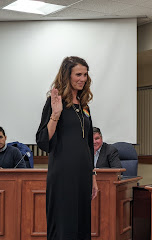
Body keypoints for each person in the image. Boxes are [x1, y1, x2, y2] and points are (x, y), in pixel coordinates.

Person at [36, 56, 98, 240]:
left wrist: (92, 176)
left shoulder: (85, 106)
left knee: (82, 224)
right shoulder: (54, 102)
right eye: (78, 74)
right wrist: (55, 115)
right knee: (64, 224)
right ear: (67, 76)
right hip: (63, 174)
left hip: (83, 175)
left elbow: (88, 144)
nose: (83, 79)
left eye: (85, 75)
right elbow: (42, 141)